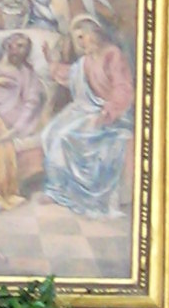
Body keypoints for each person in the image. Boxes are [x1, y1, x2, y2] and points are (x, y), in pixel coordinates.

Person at [42, 17, 135, 217]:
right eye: (78, 39)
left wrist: (108, 112)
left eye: (83, 36)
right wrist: (52, 64)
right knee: (49, 133)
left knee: (65, 137)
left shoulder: (112, 55)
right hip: (86, 109)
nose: (81, 43)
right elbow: (71, 75)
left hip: (111, 114)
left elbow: (123, 87)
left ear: (95, 33)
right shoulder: (85, 61)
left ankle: (67, 191)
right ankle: (58, 188)